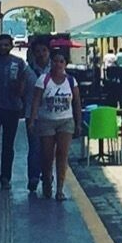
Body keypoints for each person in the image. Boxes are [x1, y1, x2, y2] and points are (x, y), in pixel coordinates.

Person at [0, 33, 33, 192]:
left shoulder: (19, 63)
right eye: (0, 45)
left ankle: (6, 176)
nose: (3, 47)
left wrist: (21, 95)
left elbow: (24, 87)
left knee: (8, 144)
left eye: (6, 45)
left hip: (12, 108)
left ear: (11, 46)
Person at [32, 51, 80, 203]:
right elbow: (36, 101)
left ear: (65, 64)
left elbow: (77, 102)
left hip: (65, 121)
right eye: (55, 61)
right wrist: (32, 120)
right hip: (46, 121)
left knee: (62, 155)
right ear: (51, 63)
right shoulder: (43, 80)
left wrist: (78, 123)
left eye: (61, 61)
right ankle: (47, 181)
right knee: (47, 156)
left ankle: (60, 189)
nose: (58, 64)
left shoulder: (71, 81)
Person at [23, 37, 56, 195]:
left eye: (44, 50)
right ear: (33, 53)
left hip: (51, 114)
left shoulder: (56, 69)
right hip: (32, 114)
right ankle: (33, 177)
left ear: (49, 52)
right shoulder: (27, 70)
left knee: (48, 148)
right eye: (38, 51)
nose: (41, 54)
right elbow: (22, 91)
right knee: (34, 147)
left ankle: (47, 175)